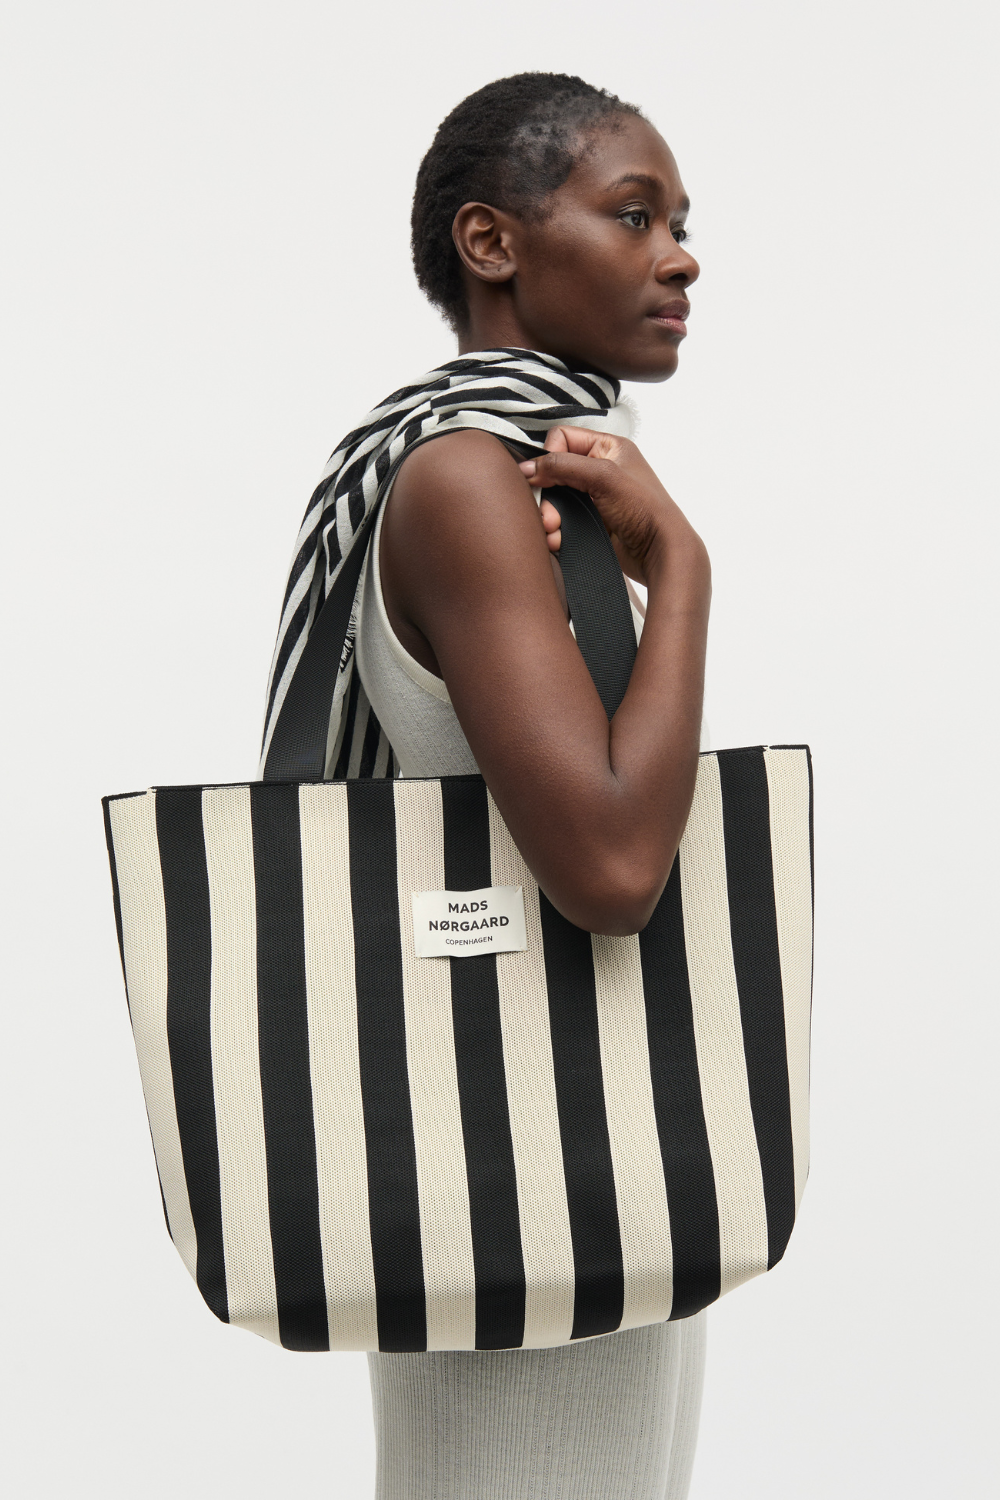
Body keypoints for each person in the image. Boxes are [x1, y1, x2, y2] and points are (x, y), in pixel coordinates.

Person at [262, 71, 711, 1500]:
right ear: (492, 242)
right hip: (518, 1170)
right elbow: (615, 868)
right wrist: (684, 572)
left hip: (589, 1149)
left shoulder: (524, 478)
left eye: (684, 223)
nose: (682, 258)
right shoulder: (468, 481)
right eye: (634, 215)